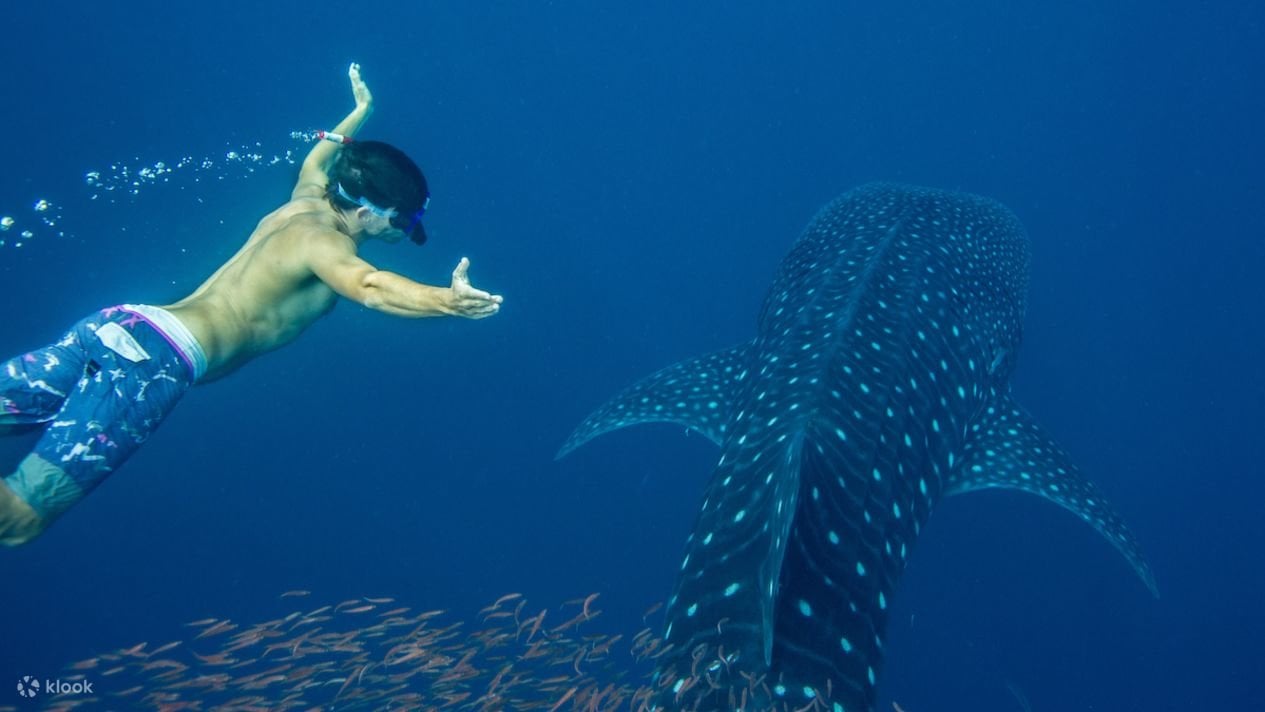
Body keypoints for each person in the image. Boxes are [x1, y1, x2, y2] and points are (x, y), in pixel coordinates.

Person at [0, 63, 503, 545]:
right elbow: (368, 286)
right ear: (377, 214)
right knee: (20, 517)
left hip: (122, 325)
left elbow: (316, 158)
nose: (404, 233)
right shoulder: (322, 242)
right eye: (405, 224)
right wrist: (446, 302)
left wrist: (360, 114)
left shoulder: (305, 199)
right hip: (153, 364)